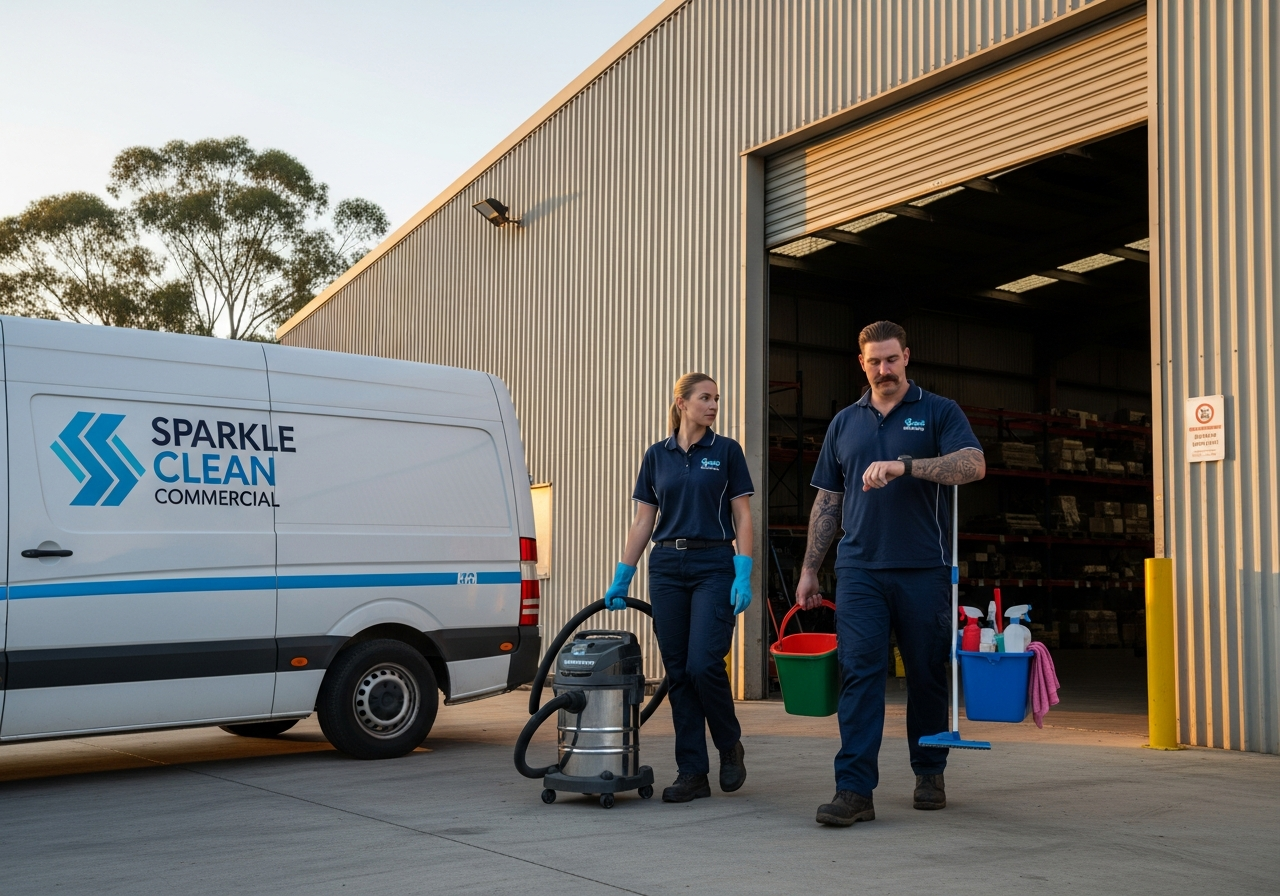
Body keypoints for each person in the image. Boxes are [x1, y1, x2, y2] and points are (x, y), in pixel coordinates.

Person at [794, 320, 985, 826]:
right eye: (874, 361)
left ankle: (928, 770)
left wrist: (907, 466)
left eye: (892, 359)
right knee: (860, 675)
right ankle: (855, 790)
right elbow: (828, 500)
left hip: (925, 566)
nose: (884, 369)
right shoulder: (844, 423)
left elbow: (973, 465)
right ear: (862, 363)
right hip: (859, 569)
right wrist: (811, 568)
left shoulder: (938, 410)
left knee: (926, 673)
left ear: (907, 357)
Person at [602, 372, 755, 802]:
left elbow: (742, 515)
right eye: (705, 398)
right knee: (679, 671)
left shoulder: (726, 452)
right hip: (667, 564)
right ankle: (692, 771)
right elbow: (643, 522)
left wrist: (743, 570)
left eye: (717, 399)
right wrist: (623, 575)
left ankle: (729, 745)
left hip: (714, 563)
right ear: (681, 402)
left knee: (704, 663)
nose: (713, 406)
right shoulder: (656, 456)